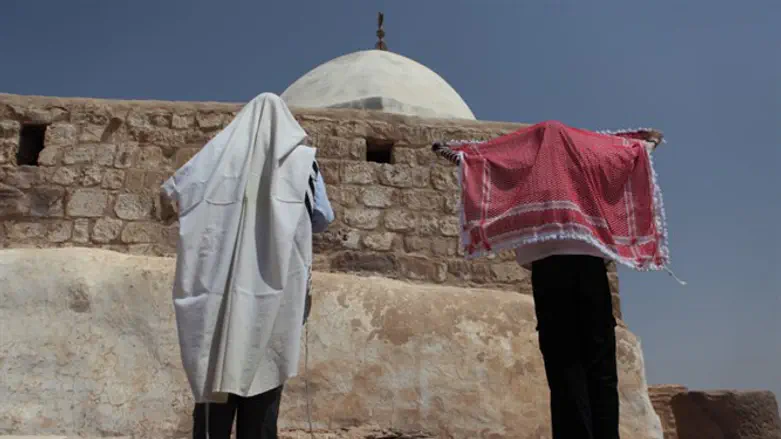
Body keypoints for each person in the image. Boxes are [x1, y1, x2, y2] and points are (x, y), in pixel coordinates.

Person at [160, 93, 334, 439]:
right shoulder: (303, 164)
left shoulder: (217, 157)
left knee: (214, 404)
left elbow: (172, 193)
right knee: (263, 392)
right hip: (275, 301)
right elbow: (322, 218)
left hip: (219, 303)